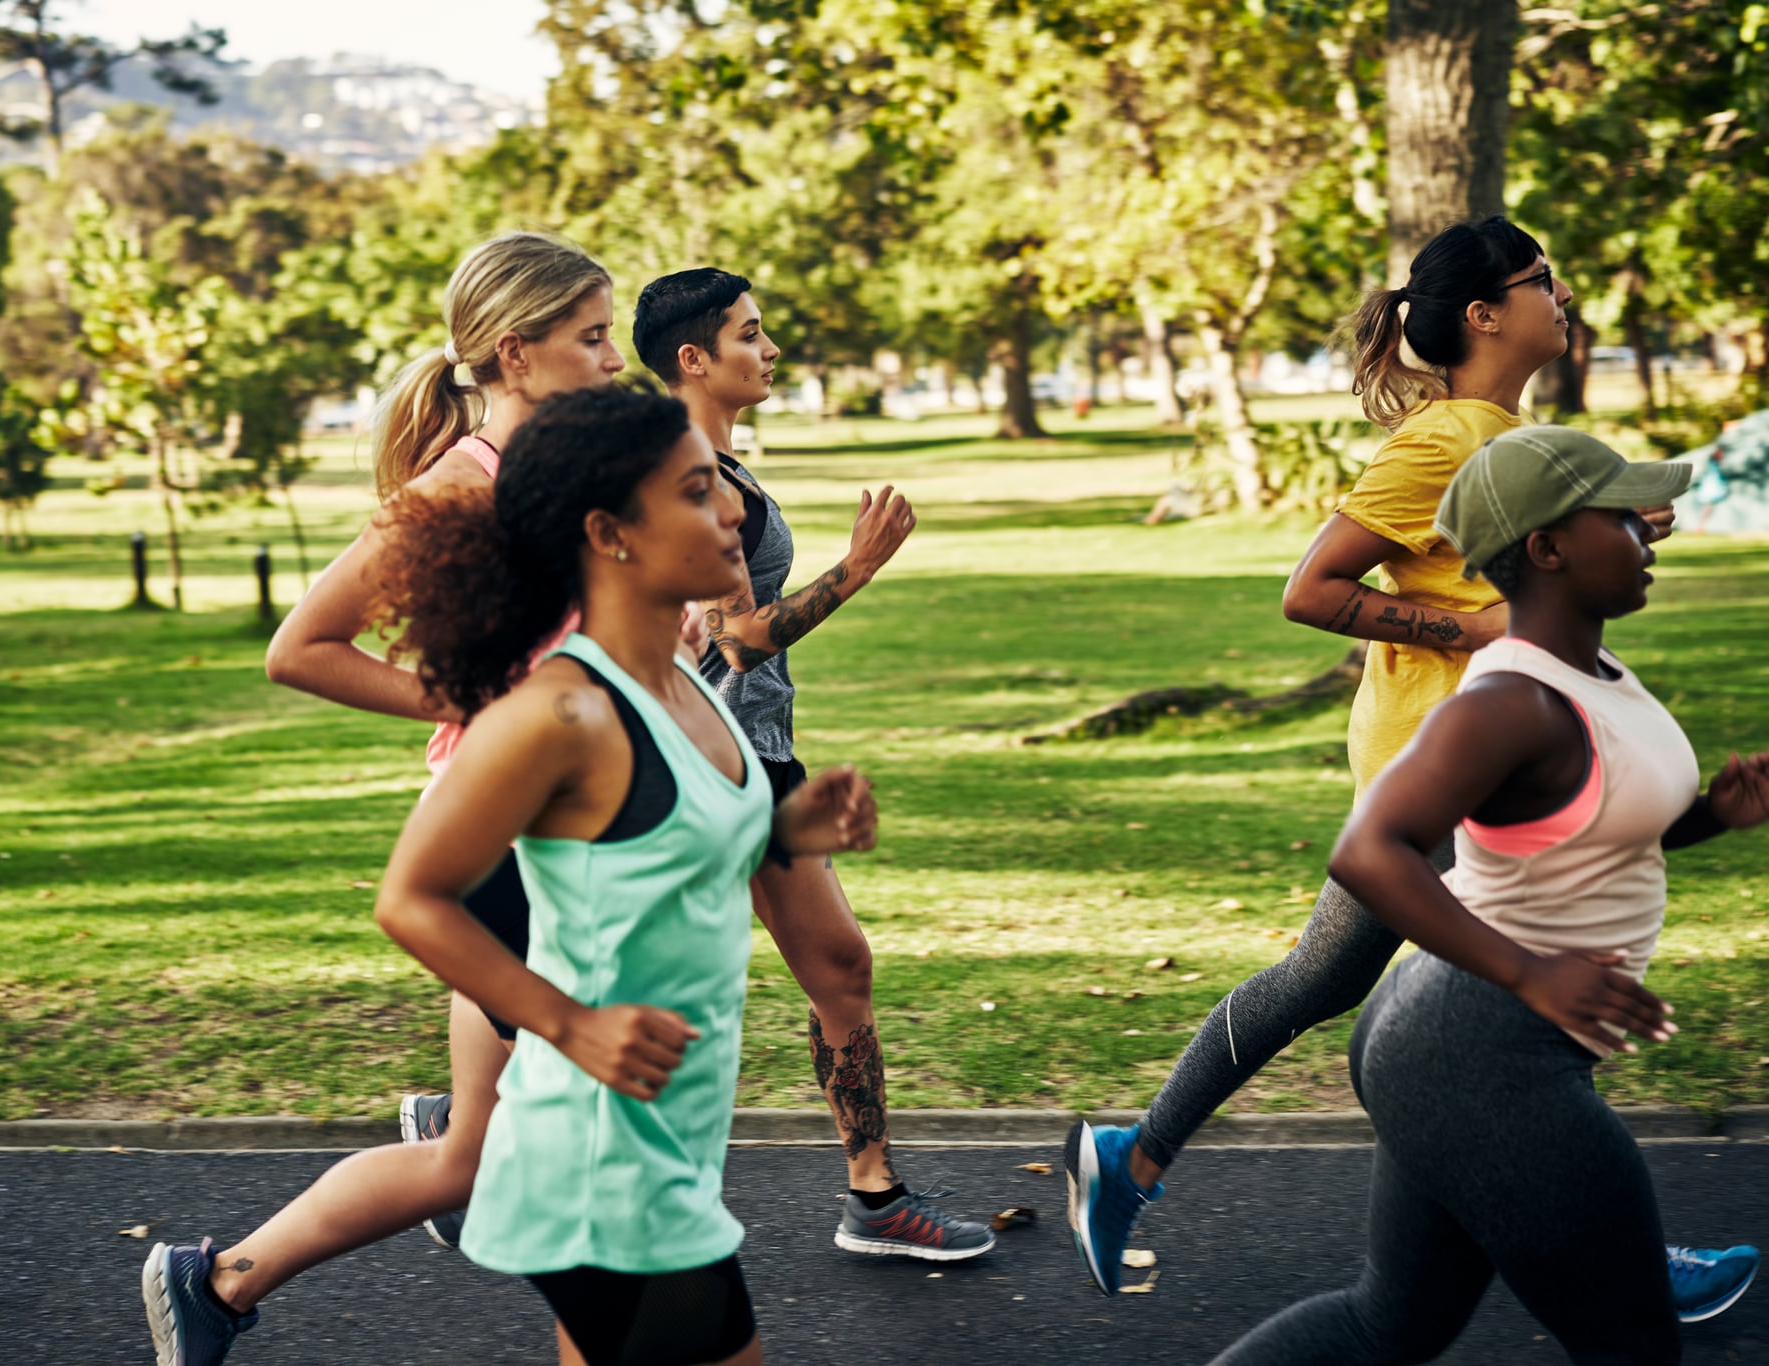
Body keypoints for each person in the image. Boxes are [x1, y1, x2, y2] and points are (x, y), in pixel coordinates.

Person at [1065, 216, 1754, 1316]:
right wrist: (1474, 634)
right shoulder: (1439, 441)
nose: (1562, 292)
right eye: (1541, 278)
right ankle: (1610, 1258)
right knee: (1514, 1003)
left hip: (1491, 763)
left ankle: (1133, 1159)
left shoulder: (1497, 430)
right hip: (1445, 765)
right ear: (1483, 315)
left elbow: (1511, 570)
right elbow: (1311, 590)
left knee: (1382, 995)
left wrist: (1617, 533)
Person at [144, 384, 883, 1366]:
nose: (736, 511)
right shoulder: (557, 711)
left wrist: (789, 827)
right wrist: (568, 1023)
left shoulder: (669, 687)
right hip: (601, 1165)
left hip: (668, 1141)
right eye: (698, 490)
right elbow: (411, 897)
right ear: (609, 534)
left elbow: (666, 854)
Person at [1210, 425, 1766, 1364]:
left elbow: (1593, 826)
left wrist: (1714, 812)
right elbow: (1367, 851)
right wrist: (1531, 973)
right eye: (1620, 516)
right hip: (1482, 1055)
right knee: (1637, 1344)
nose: (1647, 529)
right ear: (1546, 548)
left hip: (1448, 1040)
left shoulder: (1592, 674)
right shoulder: (1505, 702)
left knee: (1391, 1325)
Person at [262, 231, 624, 1249]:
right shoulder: (459, 488)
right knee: (583, 1129)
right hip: (501, 829)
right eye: (590, 337)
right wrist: (461, 699)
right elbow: (300, 648)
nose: (610, 357)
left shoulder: (562, 470)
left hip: (580, 815)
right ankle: (224, 1276)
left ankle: (222, 1282)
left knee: (511, 1144)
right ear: (516, 351)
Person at [631, 267, 995, 1261]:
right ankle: (474, 1130)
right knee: (651, 1000)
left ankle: (873, 1198)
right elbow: (724, 646)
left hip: (759, 764)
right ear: (693, 358)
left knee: (839, 968)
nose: (772, 349)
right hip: (704, 771)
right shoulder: (683, 473)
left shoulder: (719, 465)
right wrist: (857, 566)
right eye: (752, 333)